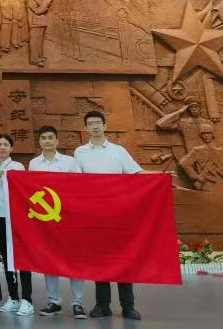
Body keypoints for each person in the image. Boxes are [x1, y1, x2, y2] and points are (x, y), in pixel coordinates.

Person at [74, 111, 143, 321]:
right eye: (90, 123)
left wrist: (161, 177)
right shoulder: (79, 152)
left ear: (105, 126)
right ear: (85, 128)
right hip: (94, 215)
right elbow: (74, 182)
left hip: (119, 214)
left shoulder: (118, 151)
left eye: (98, 123)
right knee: (100, 260)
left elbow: (137, 174)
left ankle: (128, 306)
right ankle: (102, 305)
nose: (95, 126)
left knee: (123, 259)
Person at [29, 125, 86, 320]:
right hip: (46, 221)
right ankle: (54, 302)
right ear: (40, 142)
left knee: (74, 260)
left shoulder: (70, 162)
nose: (47, 141)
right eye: (43, 138)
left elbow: (80, 187)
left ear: (57, 141)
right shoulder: (34, 164)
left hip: (69, 219)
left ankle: (78, 303)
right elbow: (31, 190)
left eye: (50, 137)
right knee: (49, 260)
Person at [0, 133, 33, 316]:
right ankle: (14, 297)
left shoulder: (17, 166)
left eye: (6, 144)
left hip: (15, 219)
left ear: (11, 148)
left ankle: (27, 299)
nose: (2, 147)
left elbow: (24, 191)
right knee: (7, 258)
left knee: (22, 258)